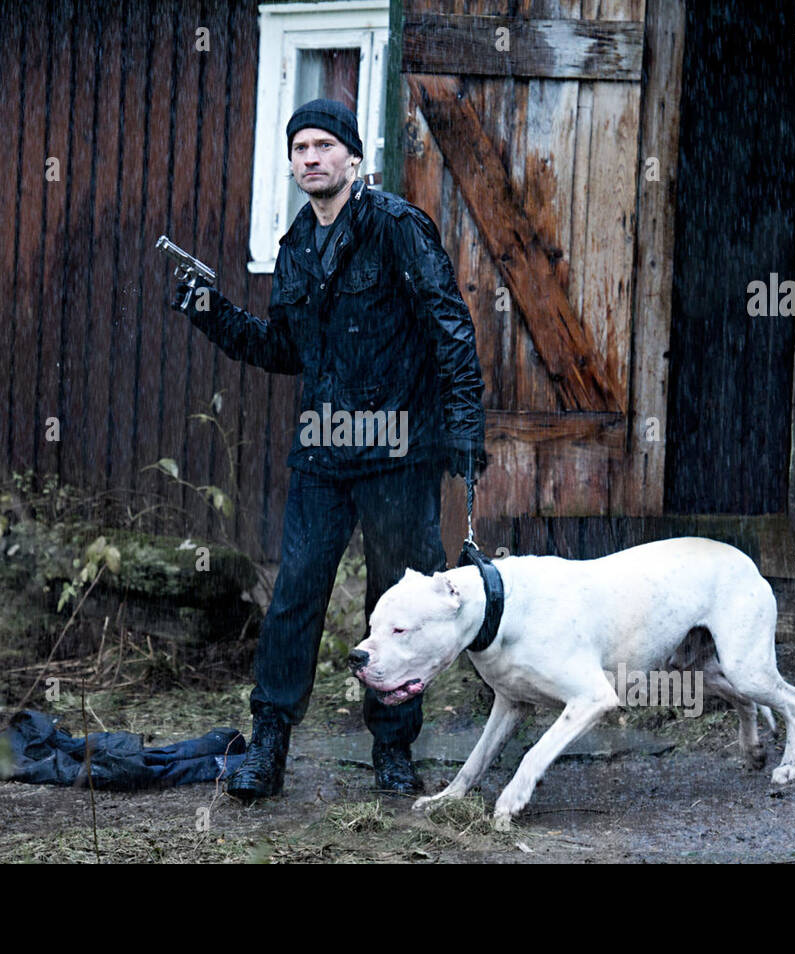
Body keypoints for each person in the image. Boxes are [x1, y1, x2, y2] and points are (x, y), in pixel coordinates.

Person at [169, 98, 486, 802]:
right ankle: (269, 748)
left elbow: (450, 327)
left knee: (394, 603)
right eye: (299, 147)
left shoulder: (397, 228)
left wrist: (466, 427)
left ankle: (394, 753)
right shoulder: (294, 249)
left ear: (352, 157)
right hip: (322, 452)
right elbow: (286, 349)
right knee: (294, 598)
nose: (310, 157)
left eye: (323, 145)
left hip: (399, 451)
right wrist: (211, 314)